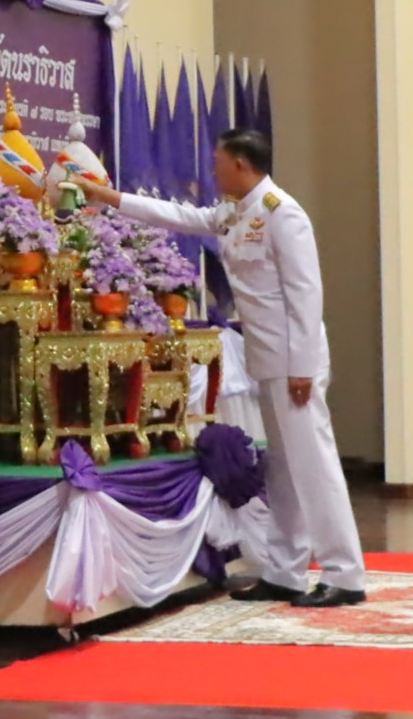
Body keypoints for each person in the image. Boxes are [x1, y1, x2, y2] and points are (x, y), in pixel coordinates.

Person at [82, 129, 367, 607]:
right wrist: (110, 198)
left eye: (218, 162)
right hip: (268, 359)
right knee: (283, 471)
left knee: (314, 466)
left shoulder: (282, 213)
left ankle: (345, 573)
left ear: (240, 164)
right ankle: (285, 571)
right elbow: (181, 216)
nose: (213, 170)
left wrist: (302, 366)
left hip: (294, 361)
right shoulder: (236, 212)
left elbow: (305, 294)